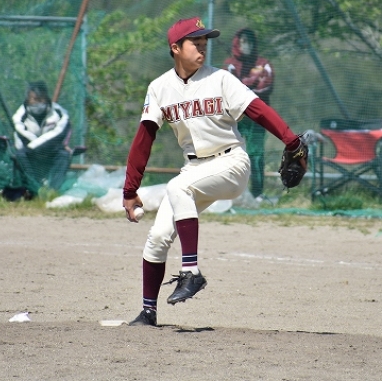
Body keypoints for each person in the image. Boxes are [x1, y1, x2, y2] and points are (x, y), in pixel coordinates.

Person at [122, 17, 306, 326]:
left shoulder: (221, 79)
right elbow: (144, 139)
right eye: (195, 43)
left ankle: (191, 272)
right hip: (194, 168)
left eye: (205, 43)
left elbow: (259, 111)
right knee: (158, 236)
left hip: (231, 163)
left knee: (177, 187)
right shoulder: (159, 88)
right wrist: (130, 190)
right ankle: (148, 312)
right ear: (175, 48)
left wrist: (292, 140)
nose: (202, 48)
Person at [223, 28, 275, 201]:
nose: (247, 45)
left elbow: (266, 86)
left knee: (256, 154)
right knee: (230, 153)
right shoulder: (229, 64)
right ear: (237, 43)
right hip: (235, 116)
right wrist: (251, 84)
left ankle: (257, 194)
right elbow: (229, 87)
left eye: (250, 42)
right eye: (244, 42)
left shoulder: (263, 64)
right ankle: (230, 193)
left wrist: (244, 87)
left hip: (258, 117)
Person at [12, 81, 72, 194]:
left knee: (64, 155)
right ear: (28, 99)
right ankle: (33, 188)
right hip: (29, 153)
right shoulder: (19, 116)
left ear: (47, 98)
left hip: (51, 152)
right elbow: (23, 134)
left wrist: (39, 146)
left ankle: (53, 191)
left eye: (41, 99)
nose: (38, 102)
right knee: (20, 155)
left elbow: (58, 133)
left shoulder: (59, 113)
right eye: (35, 99)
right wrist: (36, 147)